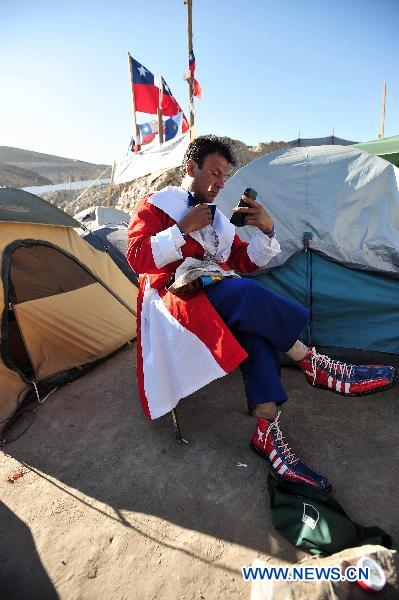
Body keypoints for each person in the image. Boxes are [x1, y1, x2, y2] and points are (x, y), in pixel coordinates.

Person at [127, 135, 396, 491]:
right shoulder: (158, 205)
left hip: (219, 293)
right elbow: (136, 257)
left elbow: (244, 262)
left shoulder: (219, 219)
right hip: (172, 300)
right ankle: (313, 364)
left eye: (224, 176)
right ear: (190, 168)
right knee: (248, 294)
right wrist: (180, 230)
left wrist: (266, 229)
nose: (220, 183)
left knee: (253, 322)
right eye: (215, 172)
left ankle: (267, 434)